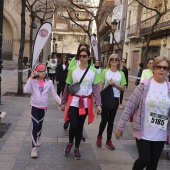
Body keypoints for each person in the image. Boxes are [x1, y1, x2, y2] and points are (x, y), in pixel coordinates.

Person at [115, 56, 170, 170]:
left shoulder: (169, 87)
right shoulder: (144, 85)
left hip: (160, 133)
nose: (161, 70)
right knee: (144, 159)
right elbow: (130, 106)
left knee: (153, 163)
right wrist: (120, 126)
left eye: (165, 68)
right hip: (143, 131)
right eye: (159, 67)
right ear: (153, 68)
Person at [60, 48, 102, 160]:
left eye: (84, 56)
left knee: (79, 127)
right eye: (80, 56)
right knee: (73, 125)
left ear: (89, 57)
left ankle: (77, 148)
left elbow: (96, 88)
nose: (82, 58)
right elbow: (67, 87)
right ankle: (70, 143)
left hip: (86, 103)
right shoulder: (73, 70)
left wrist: (98, 104)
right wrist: (63, 102)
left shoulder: (94, 71)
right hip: (74, 102)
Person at [24, 64, 61, 158]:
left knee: (40, 124)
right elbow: (25, 90)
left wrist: (62, 103)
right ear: (37, 72)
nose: (43, 72)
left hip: (43, 106)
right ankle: (33, 148)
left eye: (44, 70)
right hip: (34, 105)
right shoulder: (33, 81)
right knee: (35, 125)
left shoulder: (49, 83)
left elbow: (55, 94)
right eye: (40, 71)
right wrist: (30, 78)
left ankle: (39, 136)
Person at [96, 54, 126, 150]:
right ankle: (99, 136)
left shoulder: (121, 74)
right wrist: (99, 101)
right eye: (112, 59)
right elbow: (100, 85)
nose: (114, 60)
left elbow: (123, 88)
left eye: (116, 59)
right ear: (109, 61)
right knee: (104, 120)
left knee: (111, 121)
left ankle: (109, 140)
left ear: (118, 61)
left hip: (115, 99)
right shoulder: (105, 71)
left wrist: (114, 85)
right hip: (105, 98)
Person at [63, 42, 89, 141]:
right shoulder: (74, 60)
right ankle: (68, 121)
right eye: (81, 50)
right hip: (74, 89)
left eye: (85, 50)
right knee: (73, 113)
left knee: (81, 118)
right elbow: (69, 74)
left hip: (84, 94)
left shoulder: (89, 63)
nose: (82, 55)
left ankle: (80, 133)